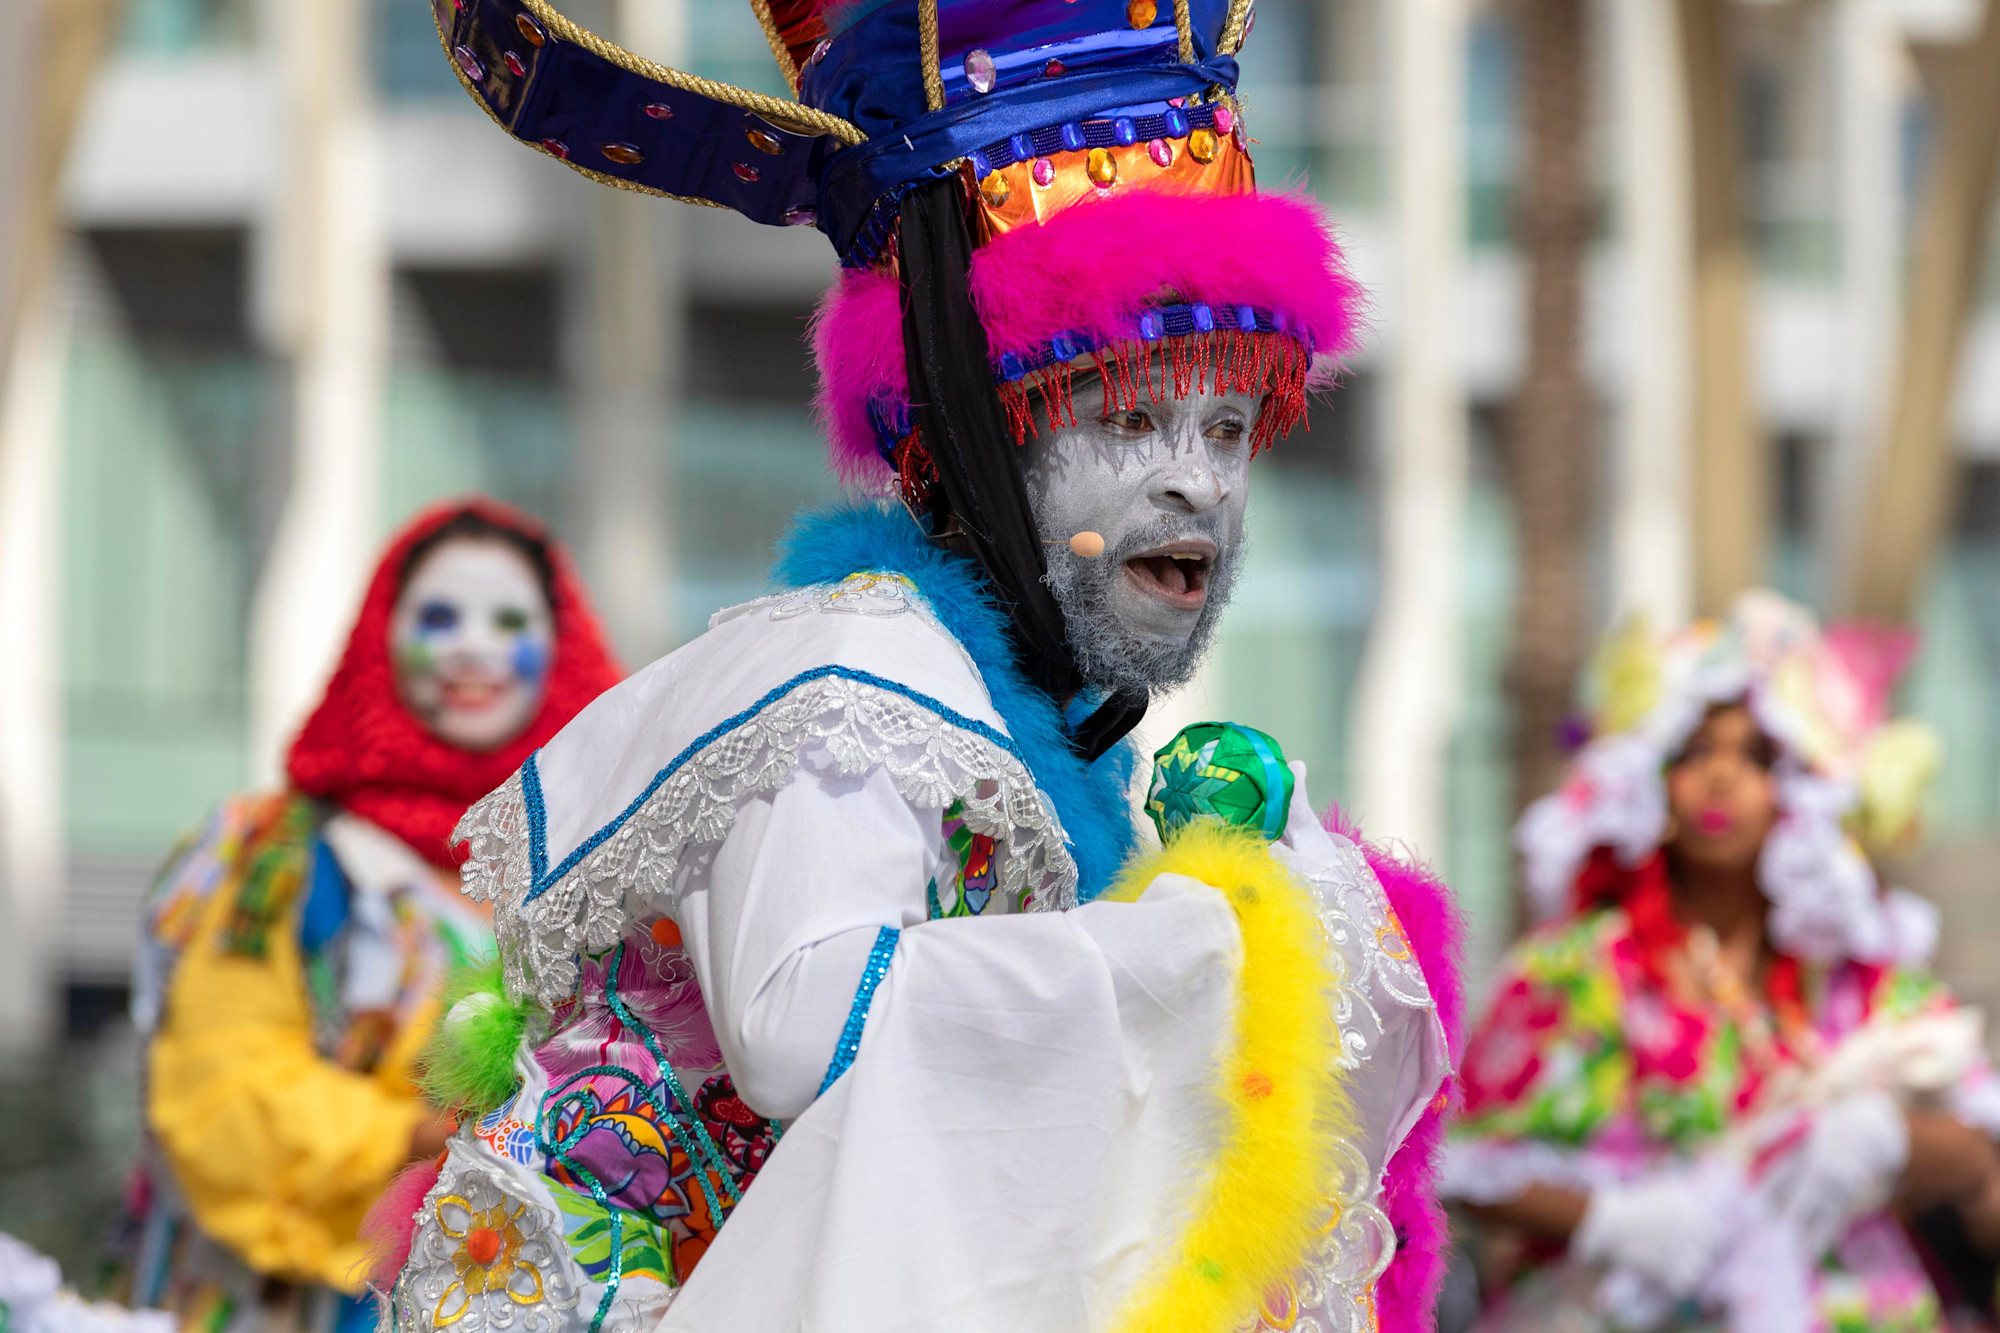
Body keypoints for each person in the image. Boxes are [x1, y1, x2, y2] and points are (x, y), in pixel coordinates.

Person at [376, 3, 1465, 1332]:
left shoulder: (1041, 747)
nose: (1199, 478)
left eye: (1229, 424)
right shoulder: (855, 676)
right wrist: (1193, 951)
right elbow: (804, 1028)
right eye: (1132, 414)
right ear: (968, 432)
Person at [120, 500, 620, 1333]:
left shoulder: (605, 862)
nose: (473, 648)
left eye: (507, 620)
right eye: (438, 616)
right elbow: (221, 1091)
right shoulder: (276, 855)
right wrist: (428, 1135)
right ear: (381, 635)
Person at [1444, 590, 2000, 1333]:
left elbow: (1981, 1166)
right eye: (1695, 749)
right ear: (1649, 777)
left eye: (1756, 754)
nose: (1721, 777)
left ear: (1806, 787)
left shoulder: (1859, 972)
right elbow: (1461, 1162)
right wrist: (1613, 1217)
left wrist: (1890, 1135)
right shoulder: (1575, 966)